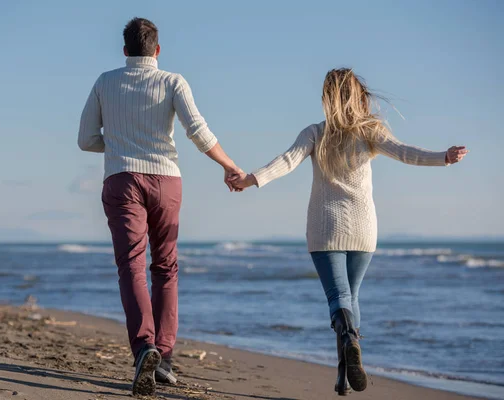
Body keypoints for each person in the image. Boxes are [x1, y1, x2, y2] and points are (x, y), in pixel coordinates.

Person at [229, 68, 468, 396]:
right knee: (350, 298)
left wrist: (249, 179)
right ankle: (344, 373)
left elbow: (285, 161)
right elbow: (405, 152)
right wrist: (443, 157)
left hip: (325, 229)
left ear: (327, 99)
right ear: (357, 97)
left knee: (339, 300)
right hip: (364, 230)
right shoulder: (370, 131)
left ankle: (350, 339)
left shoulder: (315, 132)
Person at [77, 17, 242, 396]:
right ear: (157, 50)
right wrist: (230, 165)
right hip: (166, 181)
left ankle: (144, 349)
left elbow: (86, 140)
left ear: (124, 51)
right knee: (165, 266)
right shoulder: (173, 81)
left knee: (131, 265)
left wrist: (120, 144)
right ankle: (164, 359)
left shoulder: (105, 81)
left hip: (122, 180)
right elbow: (197, 131)